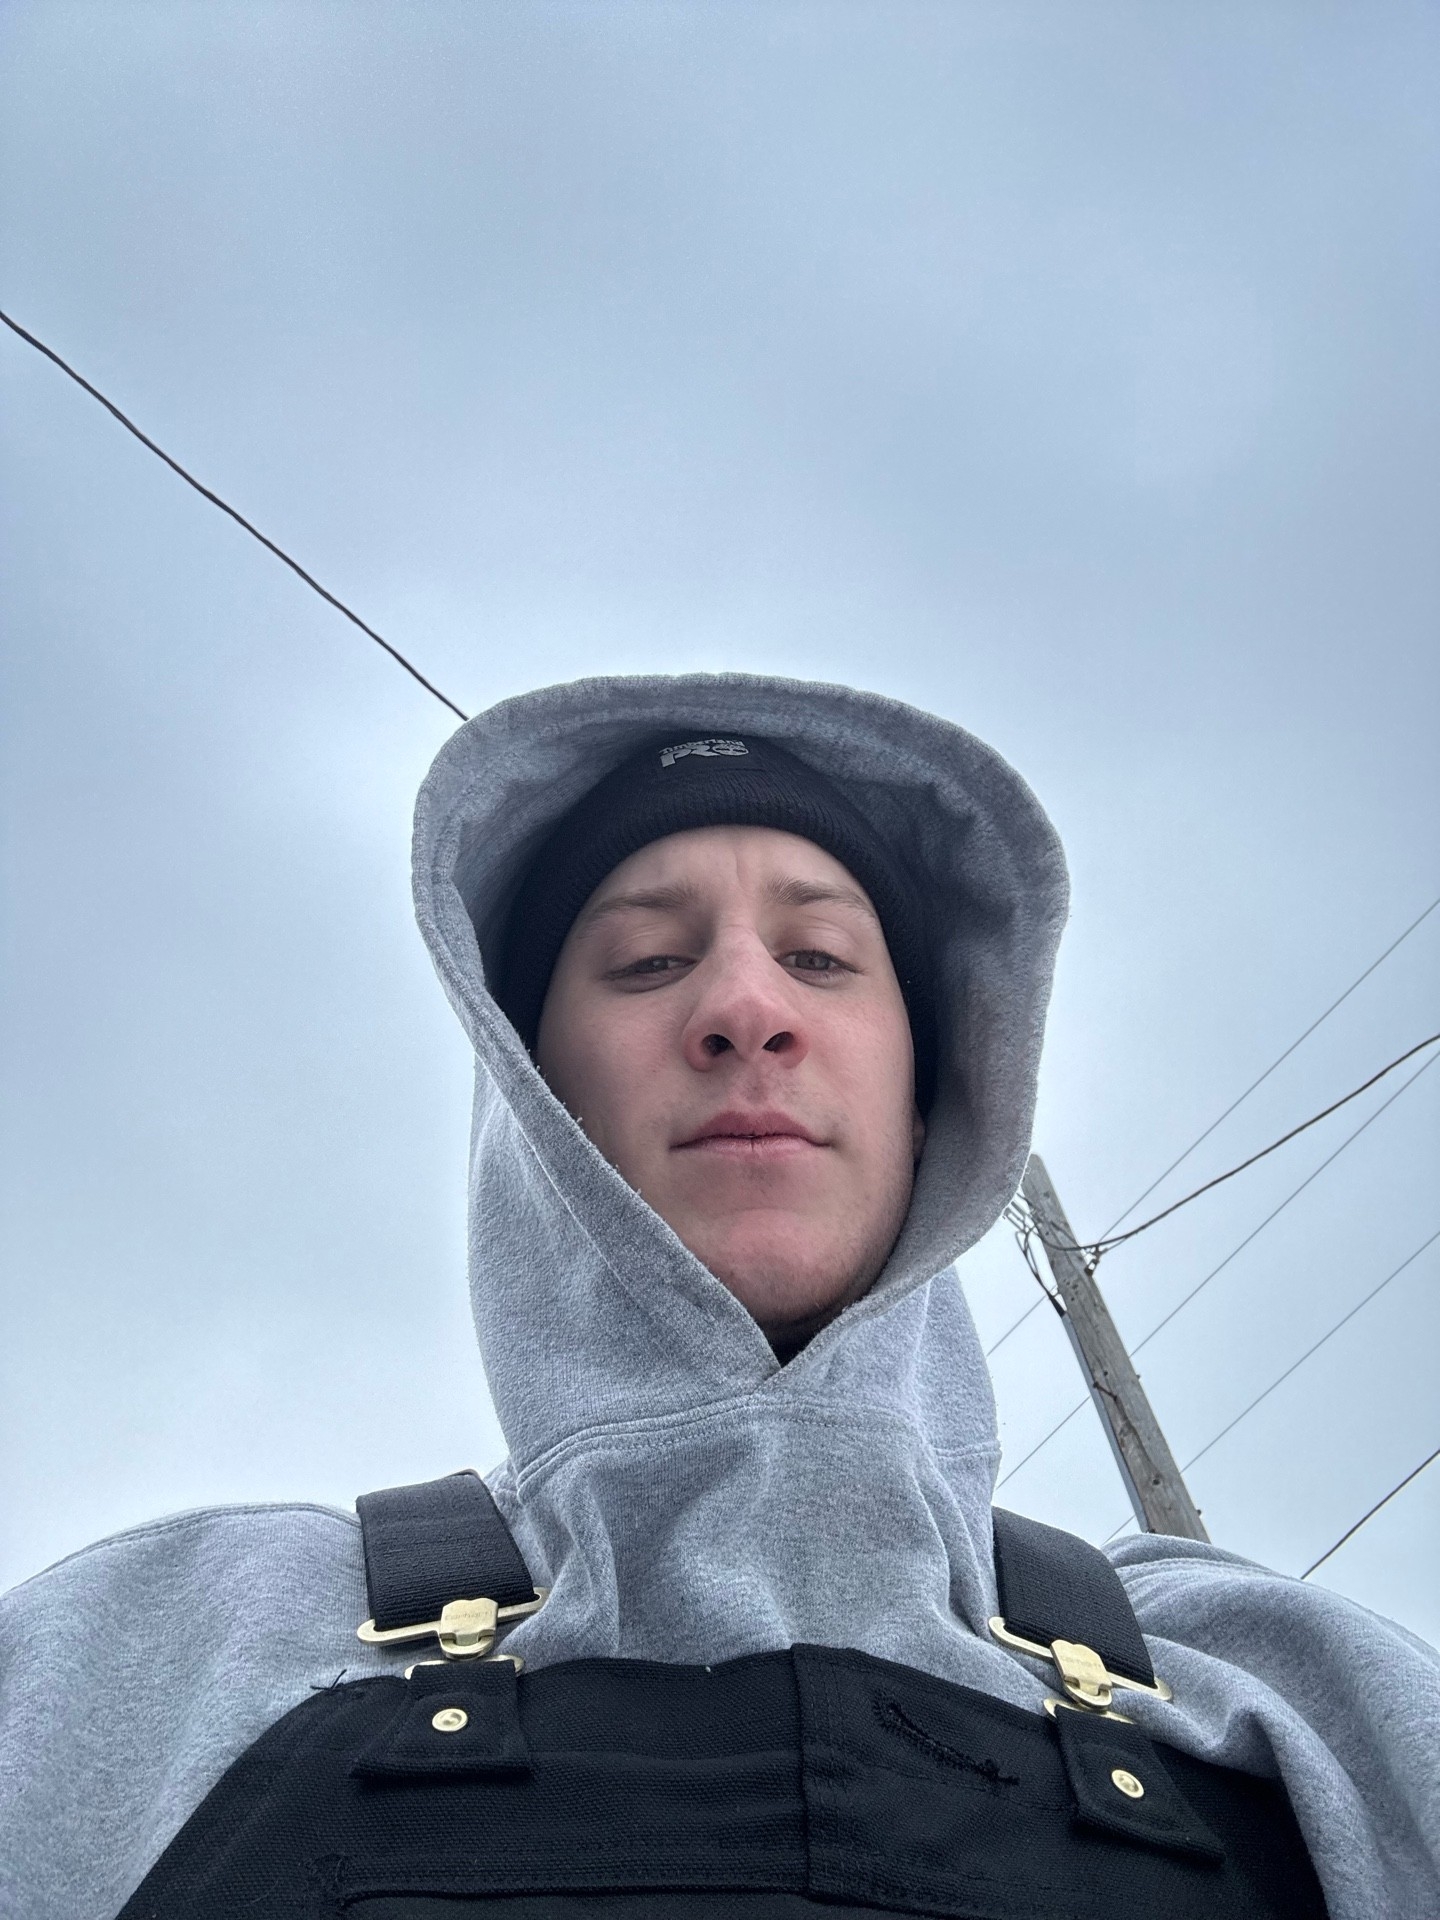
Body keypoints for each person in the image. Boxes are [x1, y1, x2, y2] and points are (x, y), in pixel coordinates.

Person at [2, 674, 1436, 1920]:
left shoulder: (1283, 1688)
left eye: (821, 957)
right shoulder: (157, 1644)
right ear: (533, 1098)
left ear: (932, 1097)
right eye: (647, 960)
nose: (748, 1008)